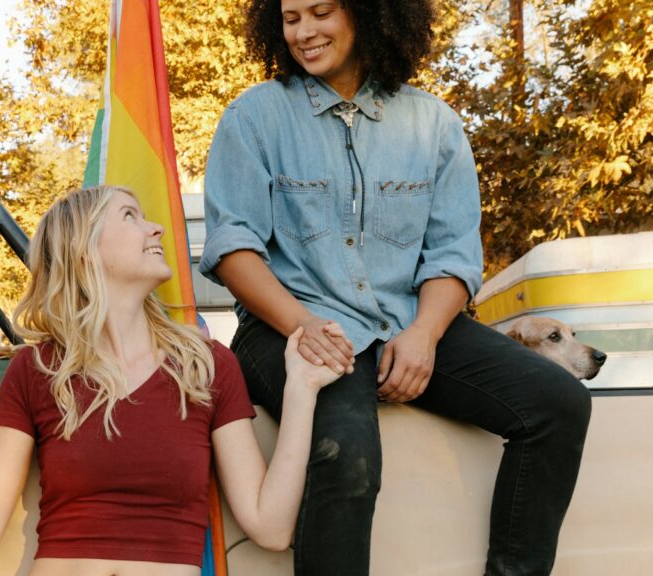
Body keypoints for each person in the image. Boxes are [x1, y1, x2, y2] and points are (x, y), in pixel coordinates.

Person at [199, 1, 593, 575]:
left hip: (407, 320)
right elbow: (233, 249)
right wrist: (302, 326)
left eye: (321, 12)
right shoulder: (254, 117)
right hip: (291, 326)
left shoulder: (433, 124)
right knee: (346, 452)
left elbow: (454, 256)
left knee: (559, 403)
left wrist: (426, 335)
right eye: (290, 18)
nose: (304, 32)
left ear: (370, 12)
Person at [0, 185, 340, 575]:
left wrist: (301, 389)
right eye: (130, 216)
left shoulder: (207, 366)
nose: (156, 228)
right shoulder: (35, 372)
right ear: (83, 251)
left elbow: (270, 527)